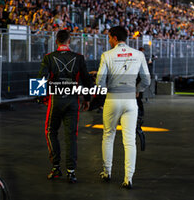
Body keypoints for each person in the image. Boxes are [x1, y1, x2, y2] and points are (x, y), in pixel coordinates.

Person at [96, 26, 150, 189]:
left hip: (112, 98)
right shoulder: (138, 54)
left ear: (113, 37)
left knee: (108, 135)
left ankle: (107, 172)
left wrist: (106, 89)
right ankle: (128, 178)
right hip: (130, 100)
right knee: (129, 141)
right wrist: (137, 90)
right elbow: (146, 80)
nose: (109, 40)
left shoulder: (107, 55)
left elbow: (99, 82)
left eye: (109, 37)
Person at [38, 30, 92, 183]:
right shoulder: (79, 58)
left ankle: (55, 167)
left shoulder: (49, 58)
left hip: (55, 100)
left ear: (56, 41)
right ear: (69, 41)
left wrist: (40, 97)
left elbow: (40, 77)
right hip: (72, 100)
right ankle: (71, 171)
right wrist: (87, 99)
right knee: (71, 135)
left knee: (50, 131)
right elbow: (86, 79)